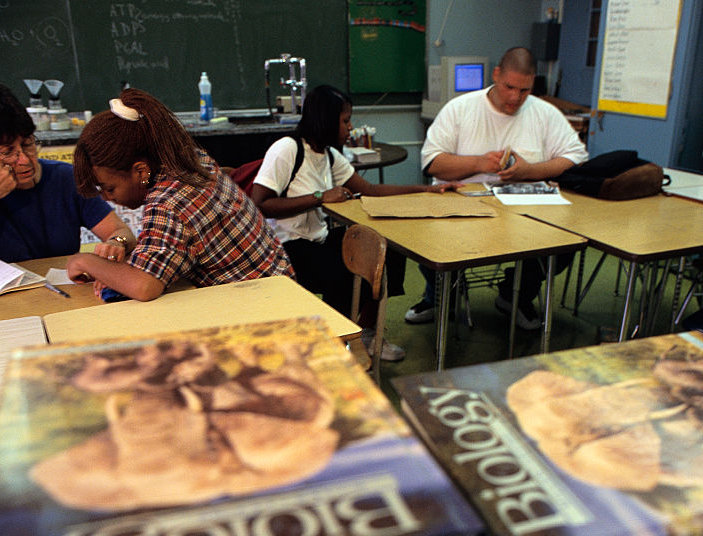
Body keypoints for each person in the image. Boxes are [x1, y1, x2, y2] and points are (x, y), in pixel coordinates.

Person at [251, 84, 458, 361]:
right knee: (346, 271)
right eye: (345, 120)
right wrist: (319, 197)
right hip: (287, 249)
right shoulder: (287, 149)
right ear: (326, 120)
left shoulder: (329, 155)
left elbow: (369, 190)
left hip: (319, 239)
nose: (350, 128)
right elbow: (260, 204)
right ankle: (335, 342)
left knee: (385, 252)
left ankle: (368, 333)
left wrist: (425, 189)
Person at [407, 46, 589, 330]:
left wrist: (530, 171)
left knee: (567, 241)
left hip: (525, 214)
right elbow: (432, 163)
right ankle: (440, 296)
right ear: (496, 75)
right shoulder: (460, 109)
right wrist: (479, 163)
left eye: (525, 91)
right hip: (461, 208)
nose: (515, 98)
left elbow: (576, 159)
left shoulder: (544, 113)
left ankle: (515, 296)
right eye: (509, 87)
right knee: (431, 236)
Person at [67, 89, 293, 301]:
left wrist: (84, 261)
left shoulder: (168, 200)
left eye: (109, 188)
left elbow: (145, 286)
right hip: (278, 289)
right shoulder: (187, 160)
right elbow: (165, 246)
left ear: (141, 171)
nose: (107, 198)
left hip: (260, 305)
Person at [0, 82, 136, 282]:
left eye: (28, 144)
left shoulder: (64, 178)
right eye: (7, 152)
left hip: (60, 294)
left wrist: (115, 243)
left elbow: (121, 233)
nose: (25, 160)